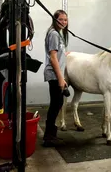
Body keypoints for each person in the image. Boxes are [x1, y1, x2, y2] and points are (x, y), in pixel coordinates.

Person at [43, 9, 69, 147]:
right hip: (53, 74)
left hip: (56, 74)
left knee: (57, 104)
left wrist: (66, 53)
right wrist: (61, 79)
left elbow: (58, 54)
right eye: (61, 19)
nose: (64, 22)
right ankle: (48, 137)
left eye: (65, 19)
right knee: (55, 105)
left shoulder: (58, 34)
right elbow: (53, 58)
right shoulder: (53, 34)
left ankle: (51, 135)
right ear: (55, 19)